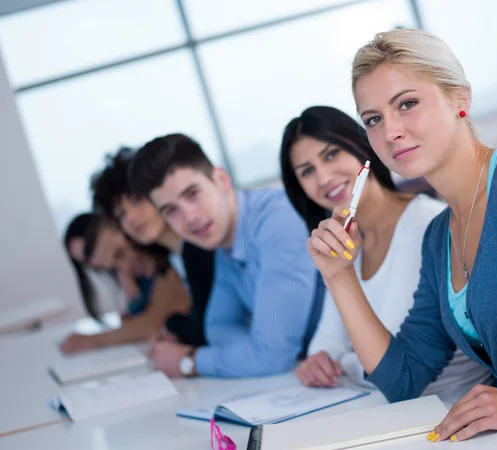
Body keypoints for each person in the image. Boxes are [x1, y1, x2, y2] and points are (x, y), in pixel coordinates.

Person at [306, 28, 497, 448]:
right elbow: (403, 379)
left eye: (407, 104)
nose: (390, 132)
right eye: (373, 119)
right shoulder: (437, 238)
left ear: (460, 98)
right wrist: (339, 275)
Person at [280, 105, 493, 404]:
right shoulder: (348, 239)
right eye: (307, 171)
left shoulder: (424, 225)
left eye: (331, 155)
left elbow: (387, 365)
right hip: (388, 410)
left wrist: (340, 364)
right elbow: (326, 340)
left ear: (360, 147)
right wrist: (323, 358)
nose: (324, 177)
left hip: (450, 412)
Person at [129, 133, 324, 378]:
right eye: (171, 211)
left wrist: (189, 361)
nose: (189, 217)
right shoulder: (223, 241)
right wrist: (256, 350)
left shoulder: (275, 221)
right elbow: (218, 329)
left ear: (221, 180)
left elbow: (272, 356)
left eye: (192, 194)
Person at [90, 147, 215, 346]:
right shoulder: (174, 257)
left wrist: (175, 328)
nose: (130, 218)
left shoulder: (203, 243)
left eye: (137, 201)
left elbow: (213, 328)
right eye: (121, 214)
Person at [61, 213, 190, 353]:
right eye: (86, 262)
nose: (94, 263)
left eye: (119, 254)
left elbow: (154, 322)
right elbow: (137, 318)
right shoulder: (128, 274)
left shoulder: (167, 261)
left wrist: (91, 340)